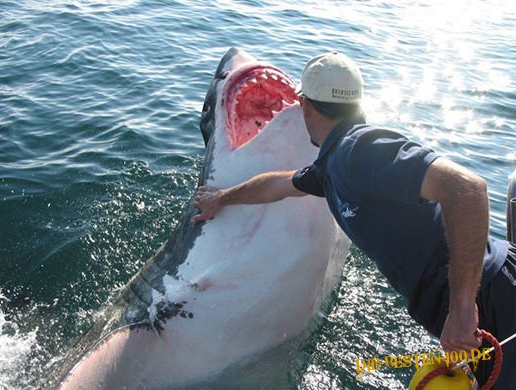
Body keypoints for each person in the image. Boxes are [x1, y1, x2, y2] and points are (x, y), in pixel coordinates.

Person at [191, 52, 515, 388]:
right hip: (474, 304)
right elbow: (280, 184)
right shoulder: (334, 165)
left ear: (305, 106)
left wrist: (461, 308)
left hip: (494, 296)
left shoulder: (359, 150)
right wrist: (222, 198)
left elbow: (468, 188)